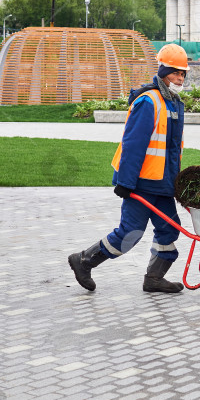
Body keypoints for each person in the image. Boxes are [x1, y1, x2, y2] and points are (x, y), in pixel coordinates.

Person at [68, 43, 188, 294]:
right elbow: (134, 144)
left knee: (169, 230)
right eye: (176, 72)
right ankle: (83, 261)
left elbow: (172, 149)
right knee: (130, 233)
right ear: (164, 71)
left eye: (183, 73)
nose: (180, 77)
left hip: (163, 184)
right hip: (142, 183)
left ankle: (154, 278)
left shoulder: (174, 103)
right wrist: (125, 181)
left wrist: (176, 181)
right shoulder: (149, 101)